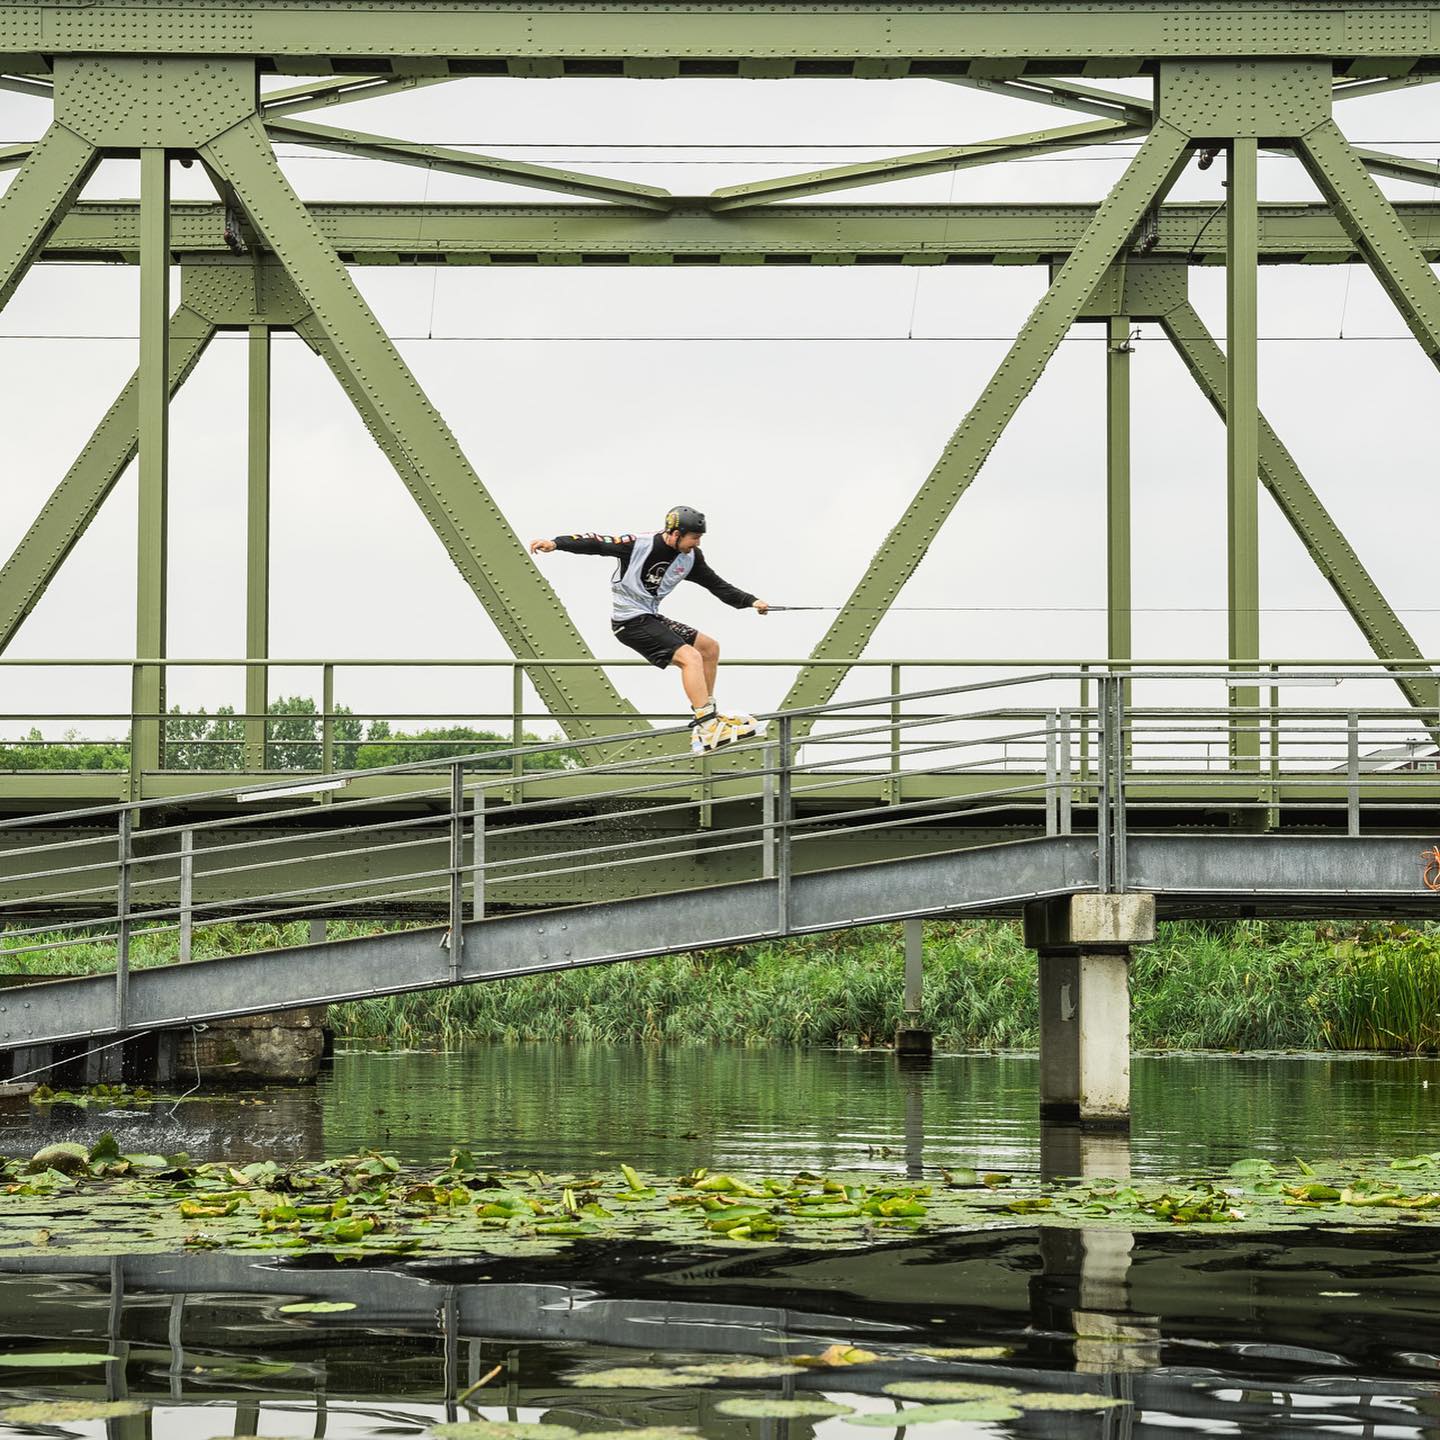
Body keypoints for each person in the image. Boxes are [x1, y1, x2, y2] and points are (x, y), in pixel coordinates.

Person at [530, 506, 769, 752]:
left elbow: (718, 585)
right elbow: (596, 543)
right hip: (629, 622)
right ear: (675, 534)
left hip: (650, 616)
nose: (696, 544)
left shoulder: (691, 558)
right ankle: (707, 725)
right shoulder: (638, 544)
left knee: (709, 648)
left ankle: (707, 720)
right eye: (694, 538)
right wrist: (556, 544)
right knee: (691, 657)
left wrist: (752, 601)